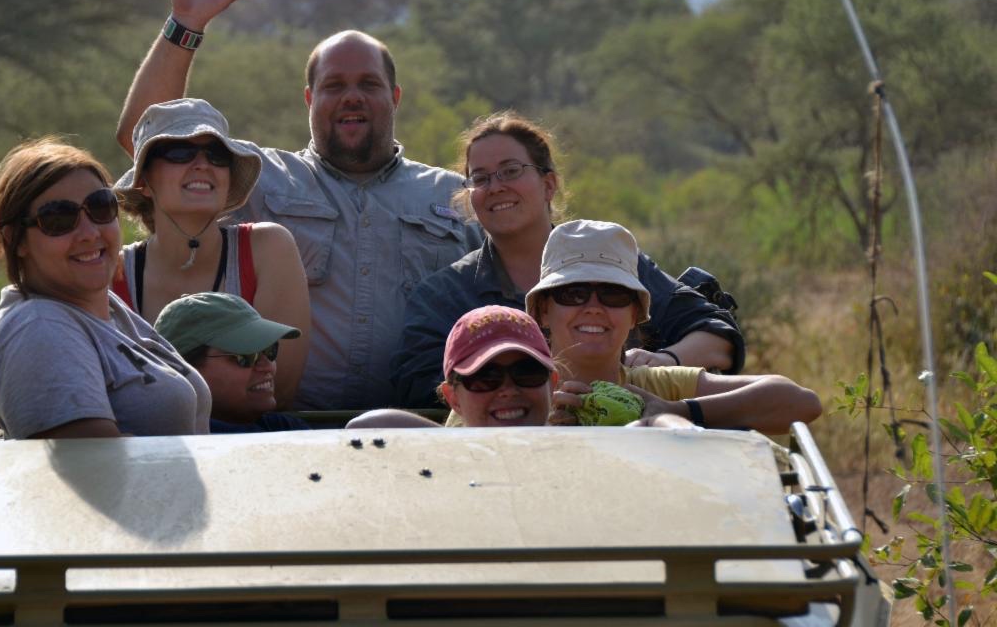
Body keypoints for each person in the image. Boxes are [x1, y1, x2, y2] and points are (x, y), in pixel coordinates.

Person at [115, 0, 482, 410]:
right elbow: (149, 134)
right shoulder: (258, 176)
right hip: (286, 429)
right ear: (309, 100)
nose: (352, 96)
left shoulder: (457, 195)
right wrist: (184, 25)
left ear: (394, 98)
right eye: (334, 86)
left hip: (423, 427)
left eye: (368, 83)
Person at [391, 112, 745, 407]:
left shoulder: (609, 261)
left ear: (549, 185)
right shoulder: (444, 296)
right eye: (480, 178)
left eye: (511, 171)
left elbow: (718, 336)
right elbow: (423, 389)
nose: (496, 186)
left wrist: (665, 363)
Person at [0, 138, 211, 439]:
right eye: (58, 218)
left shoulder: (99, 309)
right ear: (16, 239)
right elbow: (98, 469)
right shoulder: (40, 326)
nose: (88, 232)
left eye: (100, 206)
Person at [526, 220, 821, 433]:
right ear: (542, 310)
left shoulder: (660, 387)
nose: (592, 307)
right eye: (572, 293)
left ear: (635, 315)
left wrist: (677, 410)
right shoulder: (517, 386)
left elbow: (801, 402)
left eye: (612, 294)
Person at [114, 97, 310, 408]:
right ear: (144, 183)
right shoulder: (114, 271)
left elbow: (277, 390)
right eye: (179, 152)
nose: (202, 164)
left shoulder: (268, 248)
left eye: (217, 155)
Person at [347, 305, 557, 429]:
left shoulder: (583, 448)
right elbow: (364, 426)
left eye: (527, 373)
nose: (509, 391)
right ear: (453, 398)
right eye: (485, 378)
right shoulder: (440, 464)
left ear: (552, 384)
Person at [154, 292, 310, 433]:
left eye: (270, 350)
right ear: (185, 369)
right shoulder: (175, 448)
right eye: (246, 355)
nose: (268, 366)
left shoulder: (284, 429)